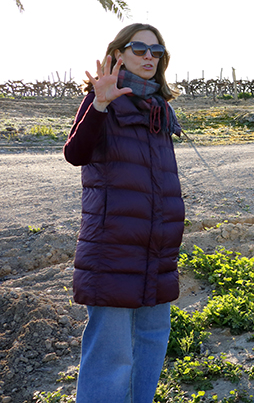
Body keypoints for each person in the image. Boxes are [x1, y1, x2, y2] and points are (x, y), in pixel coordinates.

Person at [64, 23, 184, 403]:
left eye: (156, 51)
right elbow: (75, 154)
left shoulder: (160, 110)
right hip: (113, 251)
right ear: (118, 55)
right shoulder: (102, 103)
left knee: (150, 348)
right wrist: (99, 104)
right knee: (110, 358)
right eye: (140, 49)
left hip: (157, 251)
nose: (149, 56)